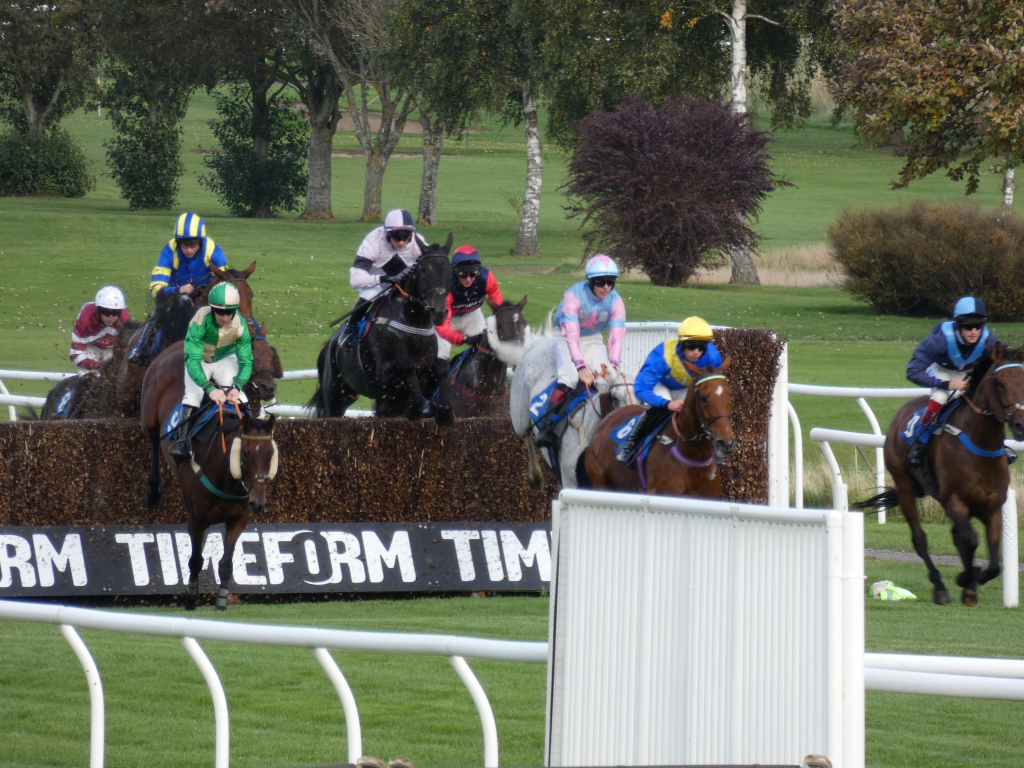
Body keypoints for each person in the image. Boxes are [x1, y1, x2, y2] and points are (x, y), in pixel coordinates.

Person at [534, 254, 627, 449]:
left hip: (593, 338)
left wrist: (613, 364)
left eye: (611, 282)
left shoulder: (616, 302)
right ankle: (547, 427)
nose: (606, 287)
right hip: (565, 336)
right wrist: (580, 366)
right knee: (569, 377)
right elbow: (572, 334)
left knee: (605, 381)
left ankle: (608, 425)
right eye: (601, 282)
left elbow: (616, 336)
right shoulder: (573, 296)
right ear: (590, 281)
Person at [905, 295, 998, 466]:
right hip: (942, 372)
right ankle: (919, 444)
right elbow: (912, 371)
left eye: (978, 326)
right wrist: (946, 385)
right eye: (968, 326)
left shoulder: (989, 341)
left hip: (970, 373)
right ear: (958, 325)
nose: (974, 331)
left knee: (991, 400)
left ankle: (1000, 447)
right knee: (940, 399)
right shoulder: (939, 341)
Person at [618, 316, 723, 465]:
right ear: (681, 344)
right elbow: (640, 388)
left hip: (686, 387)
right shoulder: (663, 355)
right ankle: (630, 446)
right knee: (662, 410)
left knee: (705, 407)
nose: (696, 352)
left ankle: (713, 449)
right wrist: (666, 403)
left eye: (701, 347)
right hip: (661, 385)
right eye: (691, 346)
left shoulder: (712, 355)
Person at [129, 211, 230, 366]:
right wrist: (178, 290)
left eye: (193, 245)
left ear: (201, 242)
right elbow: (156, 288)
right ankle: (142, 349)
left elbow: (226, 283)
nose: (189, 250)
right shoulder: (169, 251)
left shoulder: (212, 250)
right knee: (163, 314)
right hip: (174, 301)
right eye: (184, 245)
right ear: (178, 243)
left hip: (206, 299)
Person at [168, 283, 253, 463]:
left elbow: (246, 361)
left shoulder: (240, 324)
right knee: (193, 396)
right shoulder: (200, 319)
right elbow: (192, 360)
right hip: (199, 361)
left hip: (225, 360)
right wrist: (209, 388)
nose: (224, 317)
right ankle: (183, 444)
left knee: (241, 398)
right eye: (220, 312)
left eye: (229, 312)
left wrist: (237, 386)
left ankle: (252, 437)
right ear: (212, 308)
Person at [435, 244, 505, 359]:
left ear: (478, 271)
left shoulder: (487, 278)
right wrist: (465, 339)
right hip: (447, 318)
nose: (468, 279)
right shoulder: (446, 286)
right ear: (455, 272)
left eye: (473, 274)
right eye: (463, 274)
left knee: (488, 349)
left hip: (473, 316)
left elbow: (499, 308)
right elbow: (442, 327)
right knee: (441, 355)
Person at [69, 286, 132, 373]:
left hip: (113, 349)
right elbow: (76, 354)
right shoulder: (85, 320)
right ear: (99, 310)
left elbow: (128, 349)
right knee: (88, 382)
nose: (111, 317)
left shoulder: (125, 320)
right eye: (106, 312)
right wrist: (99, 366)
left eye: (115, 313)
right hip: (90, 348)